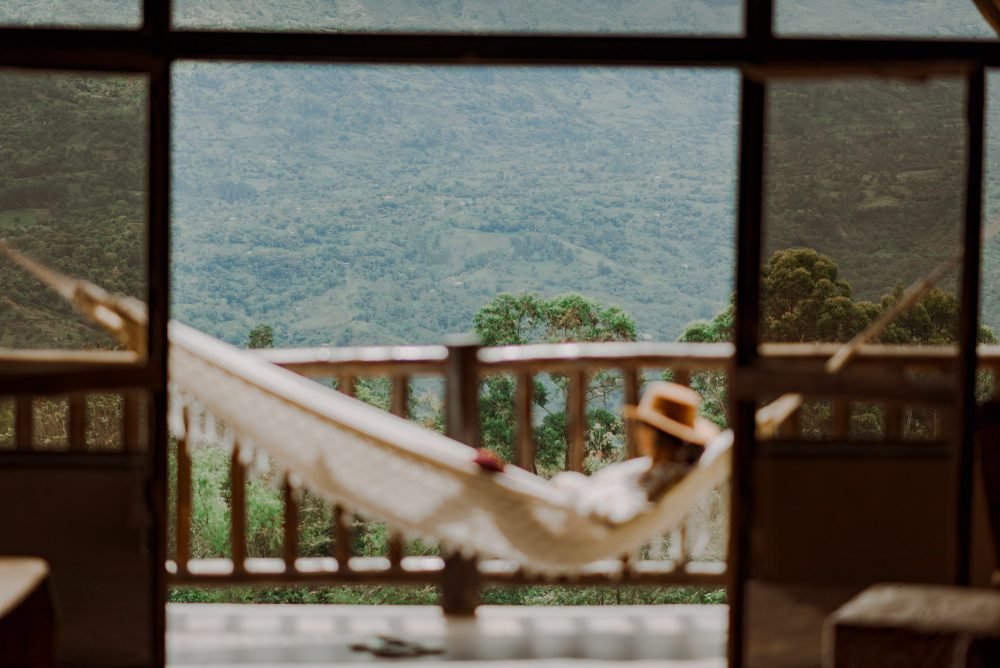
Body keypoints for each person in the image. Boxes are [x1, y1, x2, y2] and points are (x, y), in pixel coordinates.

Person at [629, 381, 720, 500]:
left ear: (653, 434)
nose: (637, 431)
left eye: (641, 424)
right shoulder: (681, 472)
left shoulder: (650, 486)